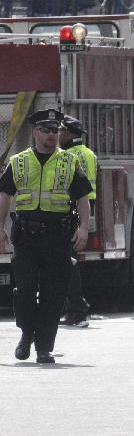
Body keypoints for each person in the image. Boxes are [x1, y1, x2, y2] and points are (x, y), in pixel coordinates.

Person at [0, 108, 91, 363]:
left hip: (58, 237)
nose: (53, 135)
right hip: (26, 238)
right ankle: (27, 333)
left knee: (54, 294)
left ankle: (44, 348)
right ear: (35, 132)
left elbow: (83, 197)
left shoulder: (70, 162)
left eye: (56, 130)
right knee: (25, 291)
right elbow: (4, 195)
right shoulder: (19, 161)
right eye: (47, 130)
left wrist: (83, 227)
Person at [59, 114, 96, 327]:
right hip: (85, 210)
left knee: (67, 263)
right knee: (69, 262)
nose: (58, 134)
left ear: (69, 133)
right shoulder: (89, 153)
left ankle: (77, 309)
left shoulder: (66, 157)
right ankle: (74, 309)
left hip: (71, 211)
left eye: (61, 131)